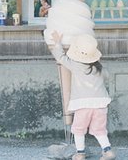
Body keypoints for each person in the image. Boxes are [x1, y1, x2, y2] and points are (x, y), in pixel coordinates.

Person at [49, 31, 116, 160]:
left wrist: (57, 44)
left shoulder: (75, 65)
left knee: (79, 129)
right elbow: (107, 76)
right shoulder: (100, 68)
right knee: (100, 129)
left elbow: (61, 58)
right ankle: (108, 151)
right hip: (100, 104)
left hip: (83, 104)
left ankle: (80, 153)